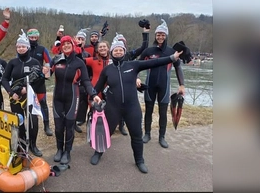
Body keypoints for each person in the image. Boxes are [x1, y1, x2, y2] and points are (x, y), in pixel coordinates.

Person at [92, 39, 182, 173]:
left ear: (124, 51)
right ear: (112, 52)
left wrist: (172, 57)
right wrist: (93, 95)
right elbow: (97, 87)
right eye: (115, 50)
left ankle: (139, 160)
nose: (118, 51)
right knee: (106, 133)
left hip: (131, 108)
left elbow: (154, 62)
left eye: (120, 49)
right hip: (113, 108)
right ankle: (98, 153)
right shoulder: (107, 70)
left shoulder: (133, 65)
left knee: (136, 135)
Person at [50, 35, 101, 165]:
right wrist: (42, 72)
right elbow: (45, 75)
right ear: (60, 47)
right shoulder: (56, 60)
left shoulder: (79, 63)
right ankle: (59, 150)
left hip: (72, 97)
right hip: (57, 98)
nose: (66, 46)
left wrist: (93, 94)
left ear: (73, 45)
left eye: (68, 43)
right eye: (63, 44)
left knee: (69, 126)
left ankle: (67, 152)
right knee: (58, 127)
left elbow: (85, 81)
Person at [139, 19, 186, 149]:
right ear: (155, 36)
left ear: (166, 36)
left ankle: (162, 137)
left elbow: (178, 68)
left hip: (164, 86)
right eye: (158, 34)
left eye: (162, 35)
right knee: (148, 110)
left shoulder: (172, 52)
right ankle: (147, 134)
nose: (160, 37)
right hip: (150, 85)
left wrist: (182, 84)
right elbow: (137, 65)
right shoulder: (148, 51)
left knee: (163, 112)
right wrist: (136, 78)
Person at [1, 30, 46, 157]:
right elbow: (4, 79)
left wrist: (29, 88)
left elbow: (40, 80)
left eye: (23, 46)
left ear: (28, 47)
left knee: (33, 121)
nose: (21, 48)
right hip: (15, 97)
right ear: (16, 48)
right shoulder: (12, 63)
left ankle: (33, 144)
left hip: (30, 97)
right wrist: (10, 92)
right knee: (19, 120)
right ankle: (21, 143)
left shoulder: (35, 62)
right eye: (19, 46)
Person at [26, 28, 53, 136]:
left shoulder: (42, 49)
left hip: (40, 82)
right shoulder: (24, 48)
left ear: (38, 37)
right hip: (28, 82)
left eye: (35, 37)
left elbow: (49, 63)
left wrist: (46, 74)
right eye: (31, 37)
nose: (33, 39)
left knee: (43, 104)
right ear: (28, 38)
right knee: (28, 104)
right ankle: (30, 125)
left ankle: (46, 125)